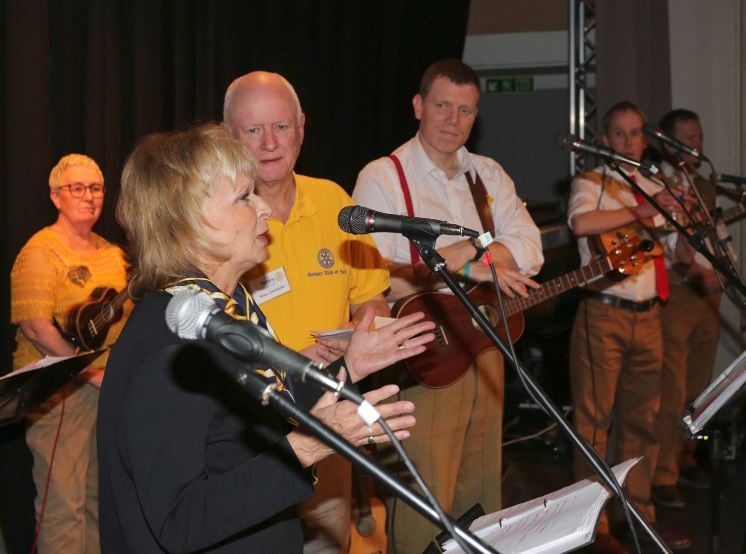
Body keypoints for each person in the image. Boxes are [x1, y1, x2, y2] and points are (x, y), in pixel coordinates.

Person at [98, 124, 435, 552]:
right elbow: (178, 522)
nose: (263, 208)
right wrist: (309, 446)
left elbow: (253, 414)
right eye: (243, 197)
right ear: (187, 222)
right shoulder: (170, 346)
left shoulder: (223, 308)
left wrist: (349, 367)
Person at [353, 59, 544, 553]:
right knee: (425, 500)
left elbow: (530, 247)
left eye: (464, 110)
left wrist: (470, 256)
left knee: (481, 494)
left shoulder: (486, 175)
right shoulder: (383, 176)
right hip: (424, 355)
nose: (451, 119)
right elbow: (378, 275)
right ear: (418, 106)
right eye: (441, 106)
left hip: (485, 346)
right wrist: (464, 263)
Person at [222, 71, 391, 553]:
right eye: (253, 130)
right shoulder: (214, 220)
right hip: (248, 429)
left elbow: (373, 298)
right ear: (227, 136)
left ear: (301, 127)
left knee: (327, 545)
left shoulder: (334, 202)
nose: (270, 143)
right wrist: (290, 362)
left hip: (328, 416)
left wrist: (357, 339)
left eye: (281, 126)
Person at [567, 100, 690, 552]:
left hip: (649, 315)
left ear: (644, 138)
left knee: (643, 421)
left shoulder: (654, 183)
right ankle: (591, 525)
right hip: (603, 312)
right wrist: (640, 212)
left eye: (635, 133)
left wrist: (689, 223)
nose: (627, 141)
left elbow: (678, 253)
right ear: (604, 139)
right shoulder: (591, 181)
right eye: (618, 133)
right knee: (594, 423)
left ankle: (638, 516)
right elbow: (581, 223)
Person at [10, 154, 129, 553]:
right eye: (77, 188)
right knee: (63, 505)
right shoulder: (41, 251)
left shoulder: (113, 253)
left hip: (103, 391)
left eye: (96, 188)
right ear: (55, 196)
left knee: (97, 498)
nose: (89, 197)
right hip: (58, 394)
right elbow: (36, 327)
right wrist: (89, 374)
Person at [651, 109, 720, 510]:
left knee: (700, 387)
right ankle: (662, 473)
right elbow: (665, 243)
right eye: (687, 138)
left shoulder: (702, 185)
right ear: (668, 144)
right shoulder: (658, 181)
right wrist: (695, 271)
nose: (696, 145)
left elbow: (711, 234)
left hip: (708, 292)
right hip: (678, 292)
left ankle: (686, 455)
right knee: (671, 389)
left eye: (700, 136)